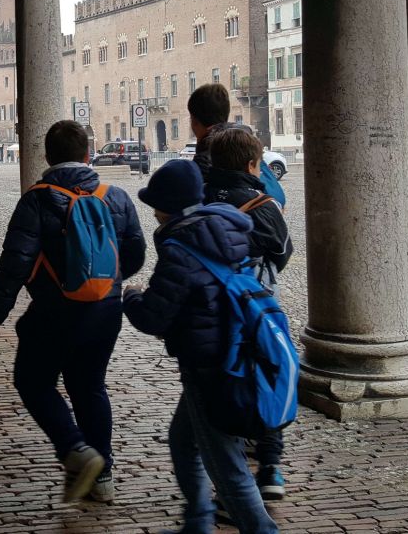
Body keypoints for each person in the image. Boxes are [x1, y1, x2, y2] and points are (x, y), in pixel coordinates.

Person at [0, 120, 146, 504]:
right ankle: (102, 476)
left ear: (47, 156)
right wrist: (104, 281)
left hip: (54, 310)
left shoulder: (37, 198)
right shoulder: (115, 196)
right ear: (88, 154)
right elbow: (134, 256)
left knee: (33, 381)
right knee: (90, 386)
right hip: (106, 311)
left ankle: (75, 450)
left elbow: (15, 262)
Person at [123, 159, 278, 534]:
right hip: (233, 351)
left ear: (169, 205)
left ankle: (261, 529)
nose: (154, 212)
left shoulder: (181, 246)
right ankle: (197, 521)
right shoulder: (226, 229)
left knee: (227, 466)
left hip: (209, 365)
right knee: (183, 441)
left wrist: (131, 296)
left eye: (156, 204)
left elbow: (153, 318)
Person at [203, 128, 293, 504]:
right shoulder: (264, 204)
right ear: (253, 164)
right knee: (264, 379)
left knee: (220, 390)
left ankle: (229, 477)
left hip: (208, 312)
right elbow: (283, 252)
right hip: (255, 309)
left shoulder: (199, 198)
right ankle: (270, 466)